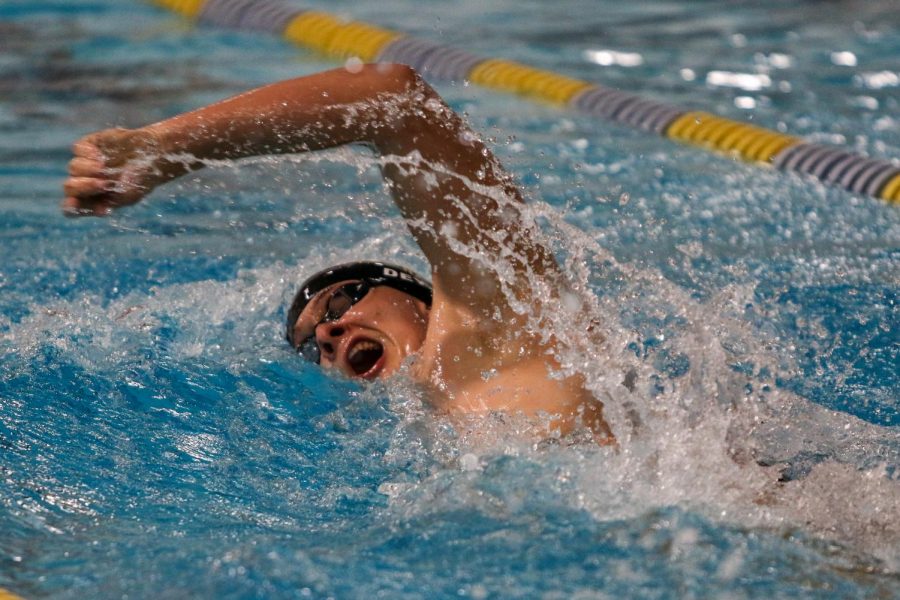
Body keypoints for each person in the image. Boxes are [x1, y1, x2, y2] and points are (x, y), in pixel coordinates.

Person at [62, 63, 613, 443]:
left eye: (340, 302)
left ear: (418, 297)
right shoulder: (422, 429)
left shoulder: (502, 323)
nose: (327, 335)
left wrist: (172, 149)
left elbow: (393, 98)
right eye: (310, 348)